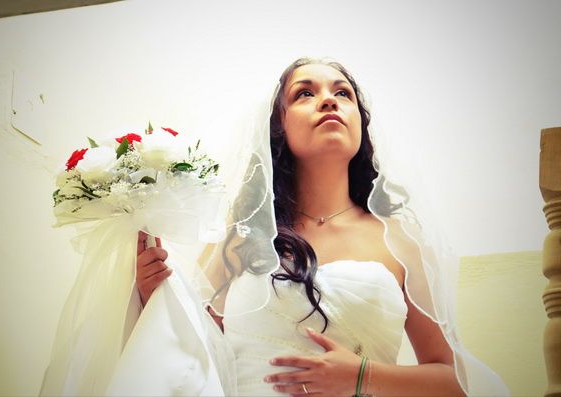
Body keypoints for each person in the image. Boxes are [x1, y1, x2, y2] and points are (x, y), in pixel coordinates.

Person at [135, 57, 509, 396]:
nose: (329, 101)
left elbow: (454, 381)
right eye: (305, 93)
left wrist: (363, 376)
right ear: (278, 127)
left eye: (342, 93)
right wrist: (154, 295)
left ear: (360, 123)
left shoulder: (400, 240)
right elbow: (195, 357)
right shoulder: (242, 236)